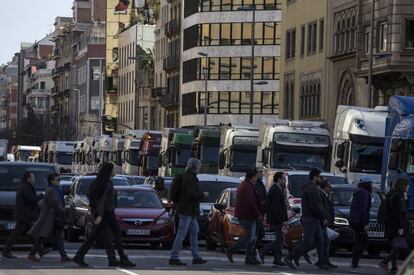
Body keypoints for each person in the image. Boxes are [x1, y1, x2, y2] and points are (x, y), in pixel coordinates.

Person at [73, 162, 135, 268]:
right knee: (116, 235)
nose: (115, 171)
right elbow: (100, 200)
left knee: (103, 237)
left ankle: (111, 259)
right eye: (113, 170)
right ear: (109, 172)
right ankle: (122, 258)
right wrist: (100, 215)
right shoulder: (106, 184)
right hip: (107, 213)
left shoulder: (103, 182)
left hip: (107, 212)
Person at [283, 169, 328, 270]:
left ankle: (321, 262)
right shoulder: (312, 189)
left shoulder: (312, 187)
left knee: (320, 241)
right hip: (310, 219)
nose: (321, 180)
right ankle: (289, 258)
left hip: (314, 219)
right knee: (307, 241)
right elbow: (315, 206)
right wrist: (323, 217)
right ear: (315, 177)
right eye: (319, 177)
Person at [168, 158, 209, 266]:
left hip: (188, 210)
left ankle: (196, 257)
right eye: (198, 166)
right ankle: (174, 257)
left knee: (195, 231)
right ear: (195, 167)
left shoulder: (186, 176)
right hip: (187, 210)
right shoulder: (190, 178)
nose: (199, 168)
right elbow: (191, 194)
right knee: (182, 233)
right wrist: (202, 195)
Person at [2, 172, 46, 260]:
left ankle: (40, 250)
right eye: (32, 178)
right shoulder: (25, 188)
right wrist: (42, 195)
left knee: (31, 233)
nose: (34, 179)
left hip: (25, 215)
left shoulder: (26, 187)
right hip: (24, 216)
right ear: (28, 179)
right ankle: (6, 251)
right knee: (19, 233)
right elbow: (32, 199)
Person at [28, 174, 71, 262]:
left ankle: (63, 256)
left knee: (57, 236)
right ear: (52, 181)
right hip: (50, 217)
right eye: (57, 180)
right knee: (43, 236)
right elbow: (55, 203)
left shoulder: (55, 189)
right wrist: (63, 210)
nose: (59, 181)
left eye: (59, 180)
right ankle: (32, 254)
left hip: (53, 217)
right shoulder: (51, 190)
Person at [225, 168, 262, 265]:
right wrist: (257, 214)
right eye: (256, 176)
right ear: (253, 177)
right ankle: (231, 250)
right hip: (247, 215)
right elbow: (250, 203)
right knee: (250, 237)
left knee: (252, 237)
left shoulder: (246, 185)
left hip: (246, 215)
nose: (257, 178)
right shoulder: (247, 187)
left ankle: (249, 258)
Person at [379, 178, 409, 274]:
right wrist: (400, 227)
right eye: (407, 185)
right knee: (399, 246)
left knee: (396, 246)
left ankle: (394, 268)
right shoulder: (397, 197)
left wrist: (405, 200)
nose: (408, 187)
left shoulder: (397, 195)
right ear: (403, 185)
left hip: (393, 225)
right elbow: (397, 213)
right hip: (395, 225)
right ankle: (385, 262)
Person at [259, 172, 288, 267]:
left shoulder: (278, 189)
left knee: (280, 239)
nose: (285, 181)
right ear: (279, 179)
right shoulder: (275, 190)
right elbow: (276, 208)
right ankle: (263, 251)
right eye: (283, 179)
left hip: (277, 218)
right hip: (276, 219)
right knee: (280, 239)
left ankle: (277, 259)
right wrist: (283, 219)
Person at [349, 176, 373, 274]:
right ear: (368, 184)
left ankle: (355, 264)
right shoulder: (365, 193)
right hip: (360, 221)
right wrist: (366, 223)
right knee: (361, 243)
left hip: (355, 220)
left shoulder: (358, 192)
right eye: (371, 183)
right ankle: (354, 265)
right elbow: (364, 209)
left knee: (359, 242)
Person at [315, 179, 337, 269]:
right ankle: (322, 261)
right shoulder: (321, 194)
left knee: (325, 242)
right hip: (322, 223)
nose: (330, 188)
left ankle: (324, 260)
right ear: (325, 187)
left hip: (324, 222)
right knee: (323, 242)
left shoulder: (324, 194)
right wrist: (324, 219)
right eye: (329, 186)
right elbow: (322, 209)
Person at [254, 169, 267, 262]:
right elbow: (259, 199)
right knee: (256, 234)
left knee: (260, 234)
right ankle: (252, 253)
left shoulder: (260, 183)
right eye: (260, 172)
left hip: (260, 213)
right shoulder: (256, 185)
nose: (262, 174)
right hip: (257, 213)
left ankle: (253, 251)